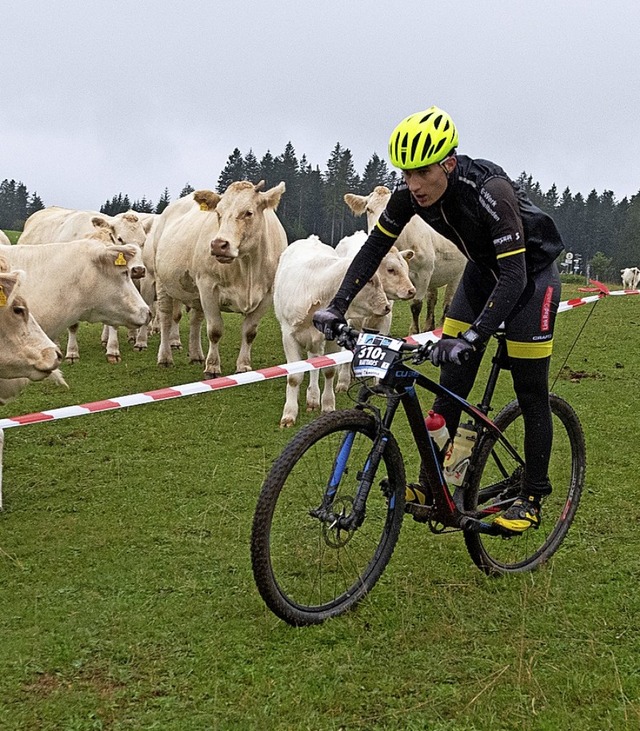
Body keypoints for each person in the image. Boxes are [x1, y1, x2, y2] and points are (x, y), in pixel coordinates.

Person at [312, 106, 564, 534]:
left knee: (530, 390)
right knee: (449, 390)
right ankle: (438, 485)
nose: (413, 185)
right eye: (405, 174)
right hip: (482, 276)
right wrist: (337, 305)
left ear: (447, 163)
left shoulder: (490, 190)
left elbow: (515, 275)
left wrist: (473, 335)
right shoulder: (411, 193)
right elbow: (375, 248)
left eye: (422, 173)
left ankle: (533, 494)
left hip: (530, 279)